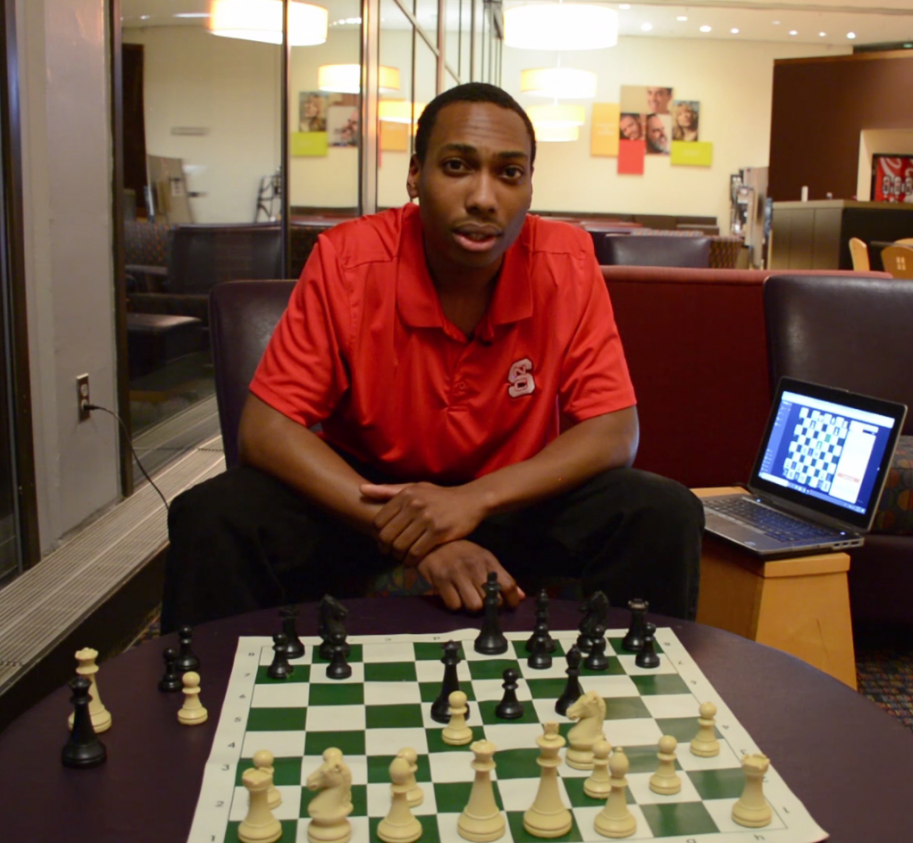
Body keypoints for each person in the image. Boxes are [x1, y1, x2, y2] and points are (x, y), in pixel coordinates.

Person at [163, 83, 702, 632]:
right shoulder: (349, 259)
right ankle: (207, 699)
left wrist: (473, 502)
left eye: (509, 173)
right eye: (457, 166)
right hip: (366, 499)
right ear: (415, 175)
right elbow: (266, 428)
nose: (484, 198)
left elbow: (615, 429)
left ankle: (635, 696)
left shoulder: (566, 260)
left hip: (509, 496)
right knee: (214, 516)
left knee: (661, 512)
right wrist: (417, 535)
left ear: (530, 187)